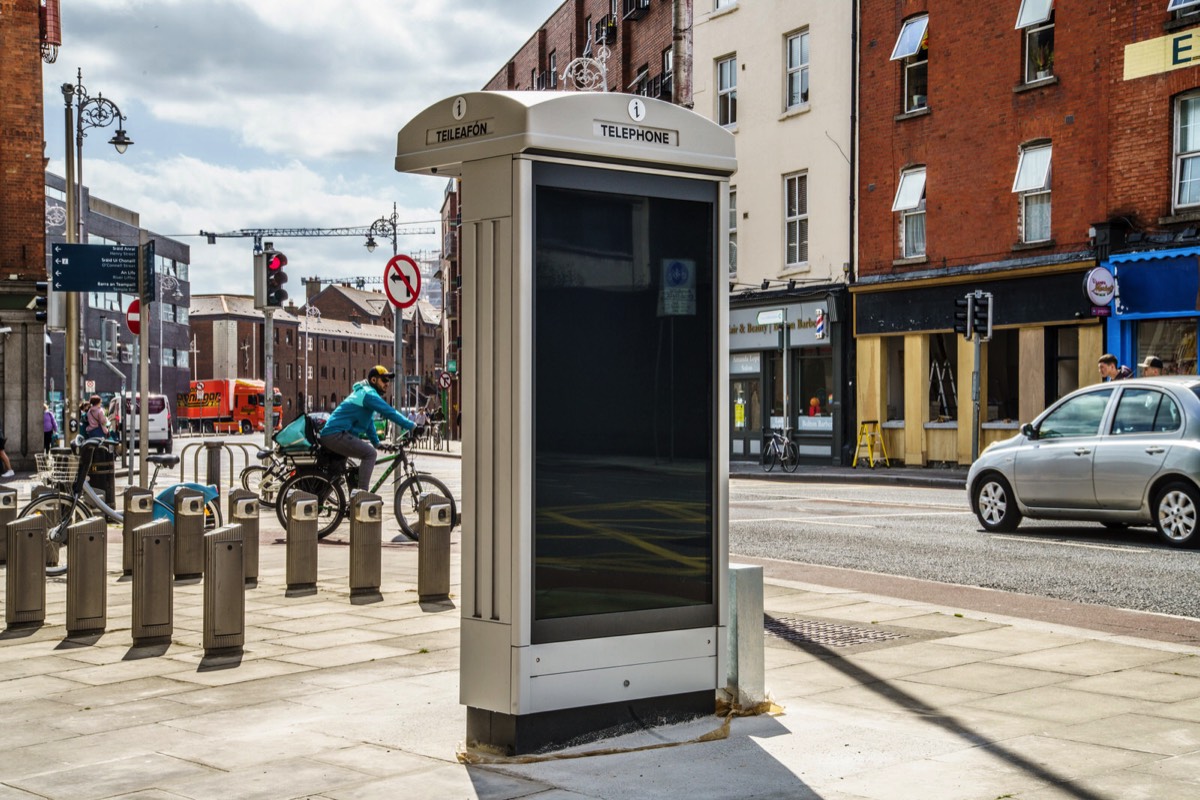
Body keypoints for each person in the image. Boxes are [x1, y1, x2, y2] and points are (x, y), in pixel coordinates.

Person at [319, 365, 417, 491]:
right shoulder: (368, 394)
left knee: (335, 476)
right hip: (336, 435)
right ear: (374, 380)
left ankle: (330, 500)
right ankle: (362, 495)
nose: (387, 384)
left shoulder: (364, 393)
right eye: (384, 380)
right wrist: (412, 426)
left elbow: (368, 422)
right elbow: (389, 412)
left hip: (335, 435)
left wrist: (377, 443)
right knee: (369, 454)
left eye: (388, 381)